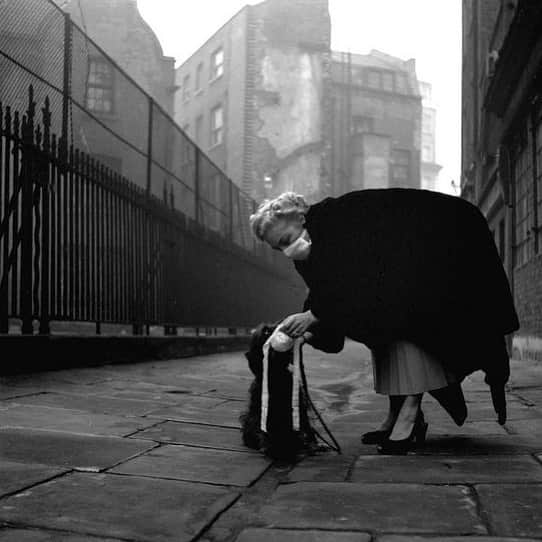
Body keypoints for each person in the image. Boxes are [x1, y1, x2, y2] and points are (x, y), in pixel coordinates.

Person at [249, 189, 519, 454]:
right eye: (278, 247)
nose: (286, 250)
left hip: (443, 242)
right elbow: (327, 291)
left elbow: (354, 280)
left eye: (286, 239)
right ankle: (397, 413)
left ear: (299, 218)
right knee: (376, 324)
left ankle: (410, 416)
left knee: (404, 319)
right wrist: (310, 328)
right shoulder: (311, 245)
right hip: (404, 268)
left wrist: (313, 316)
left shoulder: (337, 221)